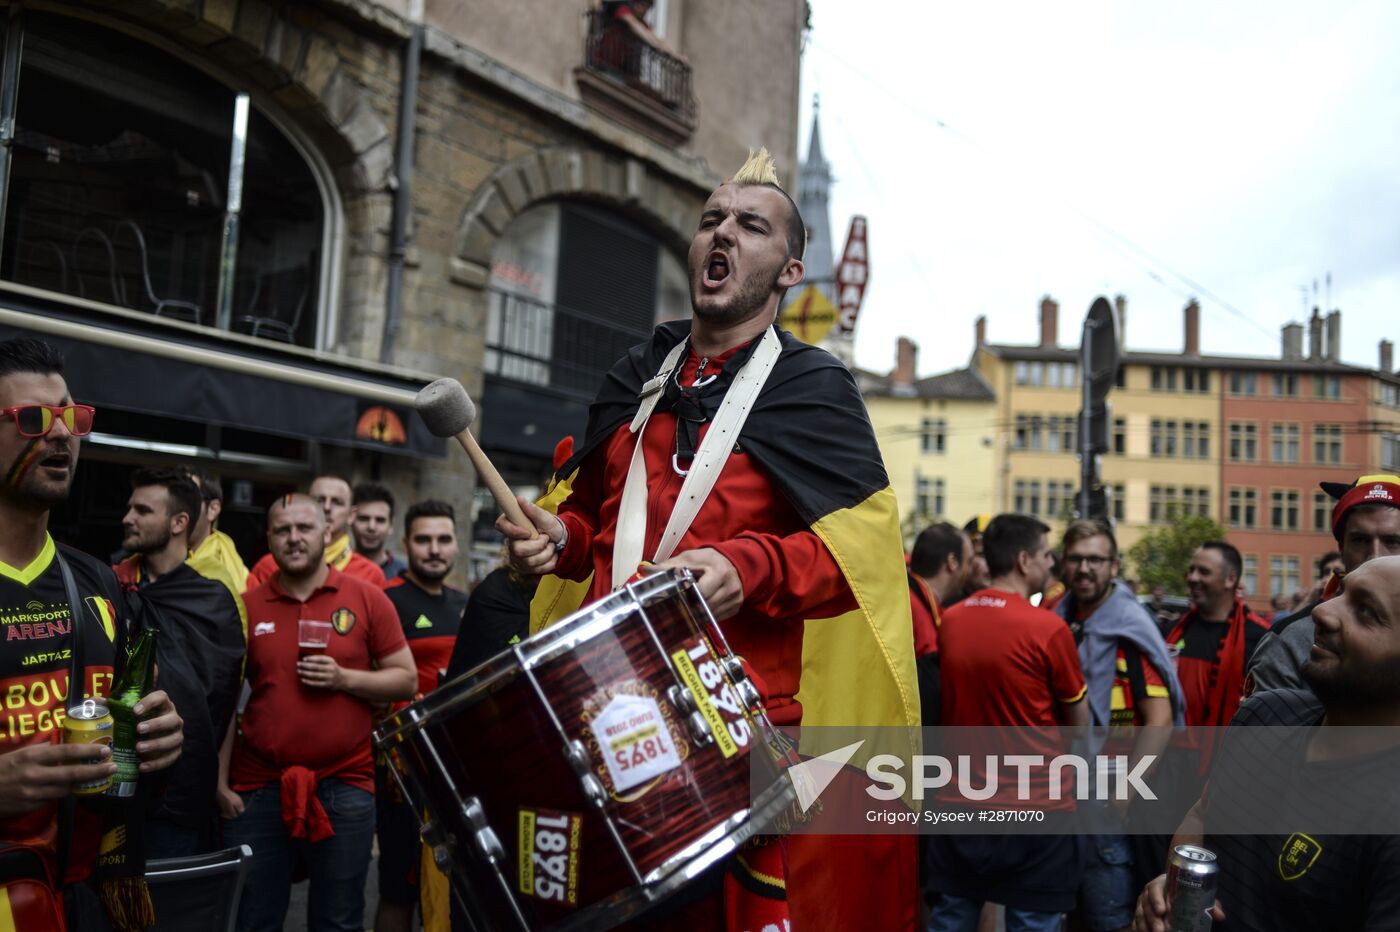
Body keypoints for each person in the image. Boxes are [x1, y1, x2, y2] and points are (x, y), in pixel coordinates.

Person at [498, 149, 919, 932]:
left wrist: (745, 564)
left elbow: (859, 563)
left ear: (789, 269)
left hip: (737, 727)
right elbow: (590, 520)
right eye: (711, 220)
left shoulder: (814, 390)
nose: (721, 233)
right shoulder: (635, 375)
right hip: (606, 710)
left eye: (749, 226)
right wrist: (559, 538)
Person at [0, 337, 184, 928]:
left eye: (71, 418)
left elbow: (133, 708)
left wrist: (158, 737)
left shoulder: (98, 583)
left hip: (83, 898)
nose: (60, 435)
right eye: (33, 419)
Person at [1132, 555, 1400, 932]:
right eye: (1338, 591)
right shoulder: (1263, 716)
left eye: (1367, 611)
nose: (1323, 612)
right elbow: (1203, 814)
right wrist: (1173, 889)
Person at [219, 494, 415, 932]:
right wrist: (220, 782)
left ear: (327, 534)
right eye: (283, 530)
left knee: (339, 918)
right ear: (269, 538)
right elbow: (228, 701)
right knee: (253, 918)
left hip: (345, 783)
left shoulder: (368, 598)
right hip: (258, 786)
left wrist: (345, 679)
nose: (294, 538)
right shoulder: (247, 606)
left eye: (304, 528)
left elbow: (406, 679)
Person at [926, 514, 1089, 932]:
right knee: (1034, 923)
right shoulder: (1048, 629)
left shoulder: (950, 620)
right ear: (1023, 560)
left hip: (960, 804)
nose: (1051, 564)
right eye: (1045, 555)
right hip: (1038, 810)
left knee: (951, 920)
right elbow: (1079, 725)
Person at [1052, 519, 1184, 932]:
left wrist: (1123, 795)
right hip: (1061, 794)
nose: (1085, 568)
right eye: (1075, 558)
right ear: (1062, 564)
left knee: (1107, 914)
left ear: (1114, 565)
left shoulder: (1130, 625)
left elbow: (1159, 720)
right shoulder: (1057, 617)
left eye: (1095, 559)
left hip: (1106, 799)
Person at [112, 467, 245, 859]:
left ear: (178, 522)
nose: (127, 518)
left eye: (142, 510)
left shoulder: (211, 599)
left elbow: (218, 701)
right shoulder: (109, 584)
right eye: (129, 508)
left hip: (179, 793)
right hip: (109, 783)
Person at [375, 500, 467, 932]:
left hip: (457, 767)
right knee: (398, 889)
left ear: (456, 544)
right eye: (424, 540)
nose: (435, 549)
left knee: (454, 888)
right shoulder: (384, 602)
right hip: (403, 771)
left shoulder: (467, 603)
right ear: (405, 543)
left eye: (444, 539)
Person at [1247, 474, 1400, 695]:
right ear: (1341, 548)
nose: (1374, 556)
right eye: (1360, 540)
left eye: (1393, 542)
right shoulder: (1291, 641)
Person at [1169, 541, 1270, 731]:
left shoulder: (1260, 638)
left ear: (1230, 579)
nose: (1192, 577)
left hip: (1225, 754)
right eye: (1191, 570)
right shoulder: (1171, 632)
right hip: (1170, 752)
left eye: (1203, 572)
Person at [245, 475, 385, 590]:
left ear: (351, 515)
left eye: (337, 502)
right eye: (319, 500)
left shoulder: (371, 574)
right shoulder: (269, 566)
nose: (327, 507)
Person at [908, 521, 970, 725]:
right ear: (952, 562)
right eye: (968, 562)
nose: (969, 571)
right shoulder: (910, 605)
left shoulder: (920, 601)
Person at [184, 468, 251, 604]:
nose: (176, 507)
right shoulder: (139, 568)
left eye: (187, 498)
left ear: (213, 509)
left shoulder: (238, 572)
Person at [351, 483, 407, 581]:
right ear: (350, 520)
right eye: (363, 519)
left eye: (380, 520)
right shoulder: (335, 569)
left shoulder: (405, 574)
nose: (371, 527)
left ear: (391, 525)